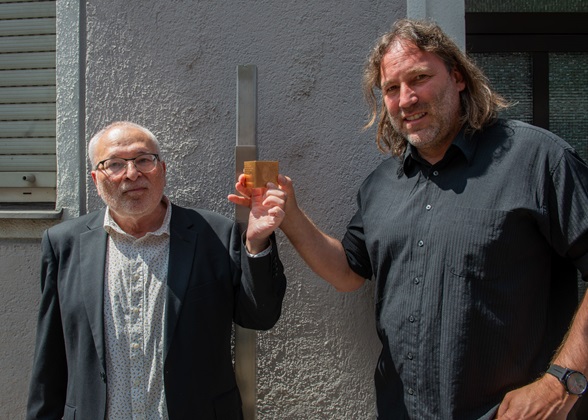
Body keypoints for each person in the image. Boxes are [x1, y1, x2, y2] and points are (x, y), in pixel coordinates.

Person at [231, 19, 588, 419]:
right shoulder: (382, 185)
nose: (406, 99)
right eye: (391, 88)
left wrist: (562, 382)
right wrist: (289, 215)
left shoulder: (537, 159)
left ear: (457, 78)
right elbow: (349, 272)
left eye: (419, 78)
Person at [27, 121, 287, 419]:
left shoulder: (214, 235)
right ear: (96, 178)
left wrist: (256, 242)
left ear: (162, 168)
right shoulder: (64, 244)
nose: (132, 173)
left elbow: (260, 316)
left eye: (143, 160)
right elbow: (50, 358)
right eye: (114, 164)